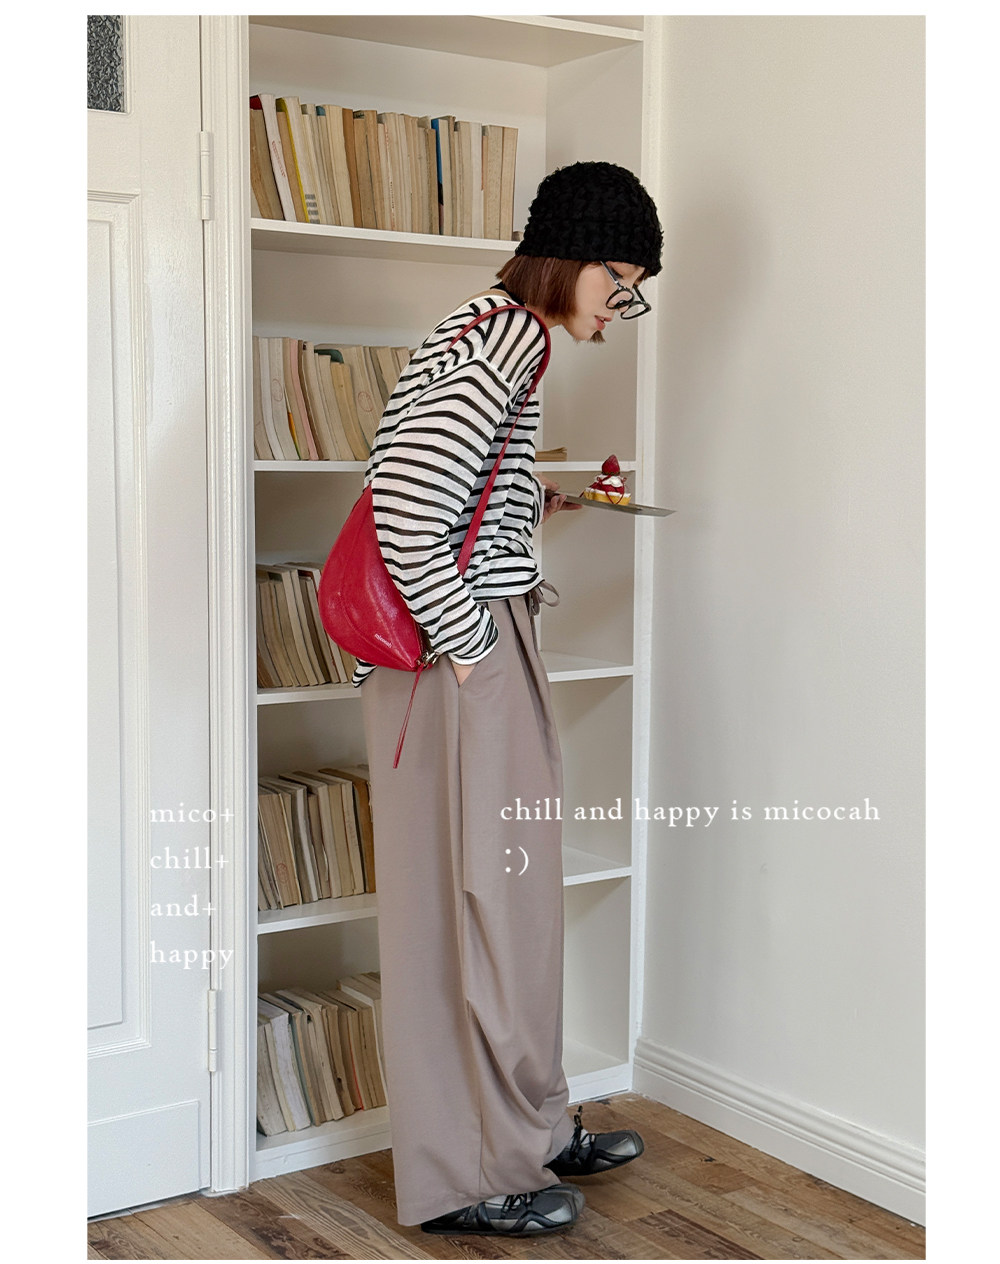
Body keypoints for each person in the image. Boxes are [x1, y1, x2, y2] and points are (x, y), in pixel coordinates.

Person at [354, 161, 664, 1236]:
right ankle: (466, 1177)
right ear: (573, 256)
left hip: (477, 644)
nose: (619, 309)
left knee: (511, 900)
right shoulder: (504, 341)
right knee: (468, 911)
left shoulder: (492, 332)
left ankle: (525, 1129)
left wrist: (530, 508)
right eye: (620, 282)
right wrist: (471, 644)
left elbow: (449, 479)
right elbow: (404, 504)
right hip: (455, 660)